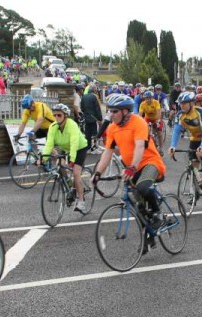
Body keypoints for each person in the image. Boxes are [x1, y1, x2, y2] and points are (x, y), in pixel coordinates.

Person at [92, 94, 166, 250]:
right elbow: (108, 152)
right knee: (137, 204)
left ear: (126, 111)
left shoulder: (139, 122)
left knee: (142, 188)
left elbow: (140, 147)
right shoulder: (112, 128)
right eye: (109, 111)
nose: (111, 115)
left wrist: (132, 168)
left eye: (114, 111)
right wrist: (98, 173)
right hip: (132, 167)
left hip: (150, 163)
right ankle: (149, 235)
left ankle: (158, 213)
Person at [40, 103, 91, 213]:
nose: (57, 118)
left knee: (76, 173)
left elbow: (74, 143)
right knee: (60, 164)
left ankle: (81, 201)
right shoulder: (53, 127)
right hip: (66, 148)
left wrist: (72, 160)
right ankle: (70, 184)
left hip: (79, 148)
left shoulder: (72, 125)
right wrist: (42, 159)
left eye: (59, 115)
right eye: (55, 115)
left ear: (65, 116)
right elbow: (49, 144)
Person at [169, 91, 202, 187]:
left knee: (200, 153)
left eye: (184, 104)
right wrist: (173, 146)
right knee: (194, 164)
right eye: (180, 104)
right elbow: (176, 131)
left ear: (191, 103)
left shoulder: (201, 112)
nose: (181, 106)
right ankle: (198, 183)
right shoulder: (179, 115)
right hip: (195, 138)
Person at [80, 82, 103, 154]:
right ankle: (94, 149)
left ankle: (88, 148)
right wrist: (100, 119)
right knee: (94, 133)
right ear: (94, 89)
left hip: (86, 117)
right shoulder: (94, 96)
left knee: (87, 134)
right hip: (93, 118)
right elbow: (97, 108)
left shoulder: (84, 96)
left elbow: (82, 107)